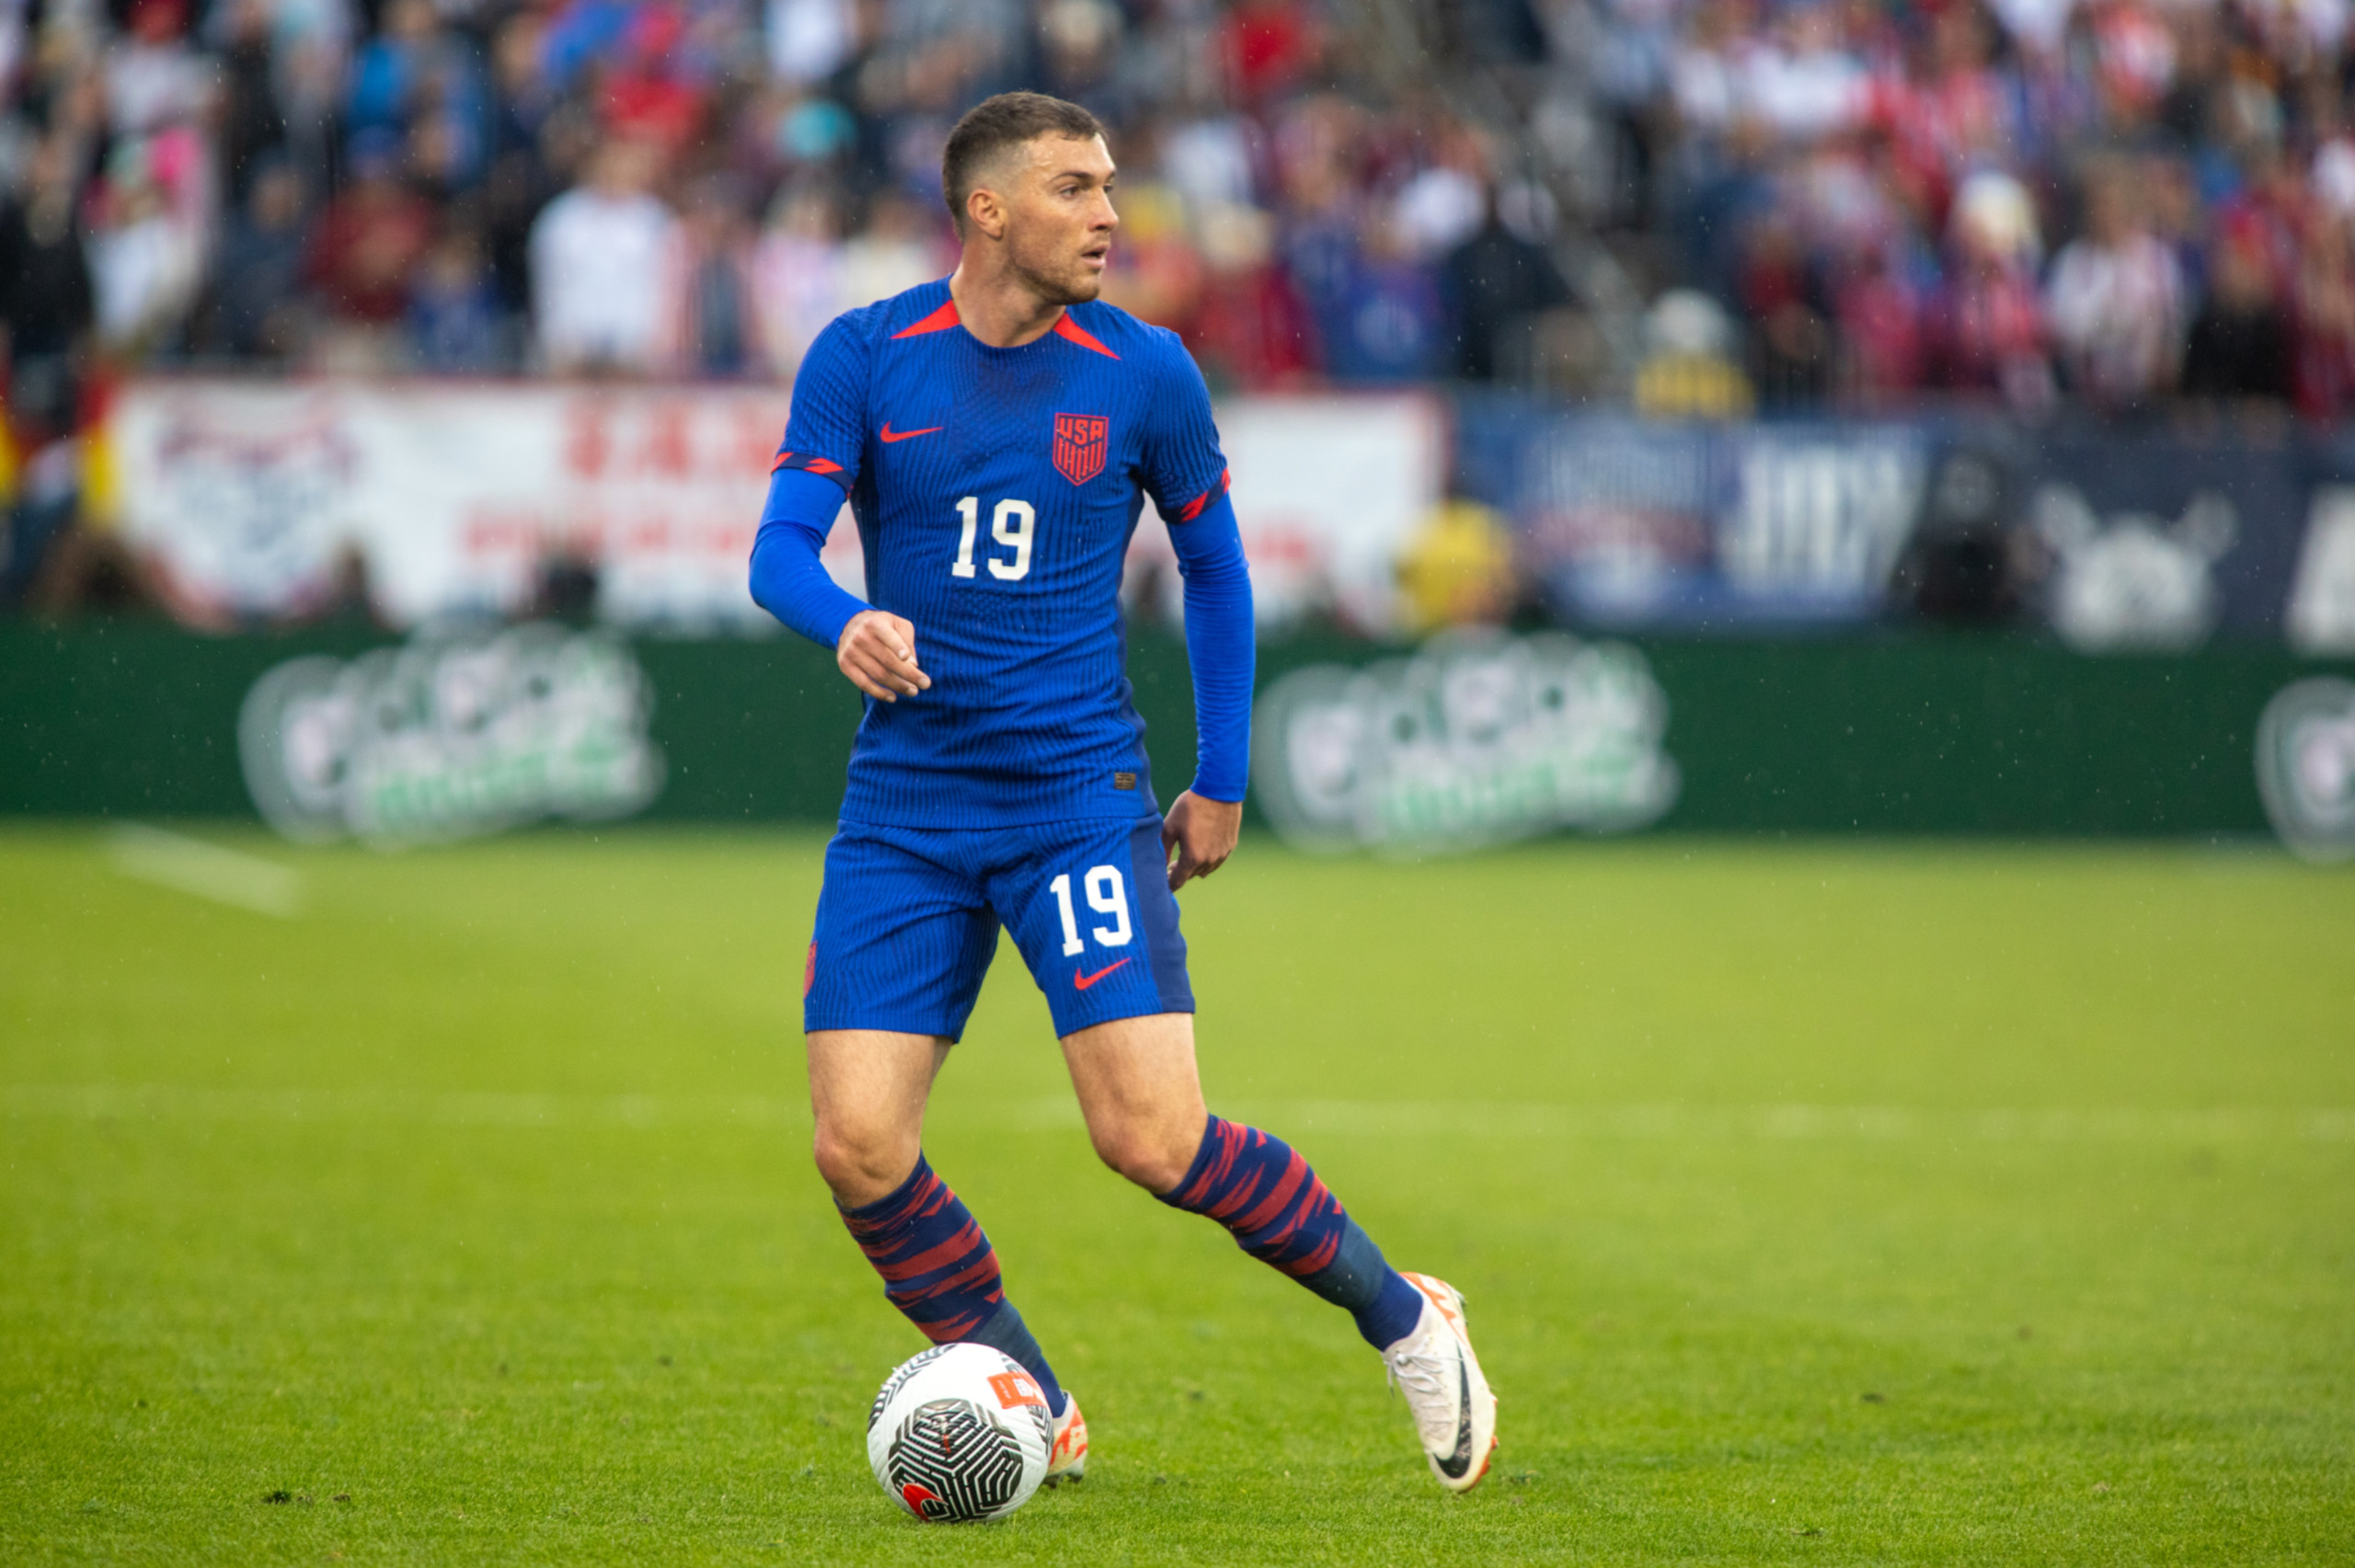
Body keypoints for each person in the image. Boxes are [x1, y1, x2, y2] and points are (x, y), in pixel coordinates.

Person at [746, 91, 1498, 1494]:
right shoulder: (864, 356)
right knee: (857, 1145)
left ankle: (1407, 1315)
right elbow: (778, 548)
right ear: (987, 210)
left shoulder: (1144, 371)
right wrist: (842, 615)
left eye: (1112, 186)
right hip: (906, 805)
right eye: (1077, 188)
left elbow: (1215, 572)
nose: (1110, 212)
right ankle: (1029, 1389)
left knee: (1150, 1138)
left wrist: (1220, 779)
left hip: (1076, 798)